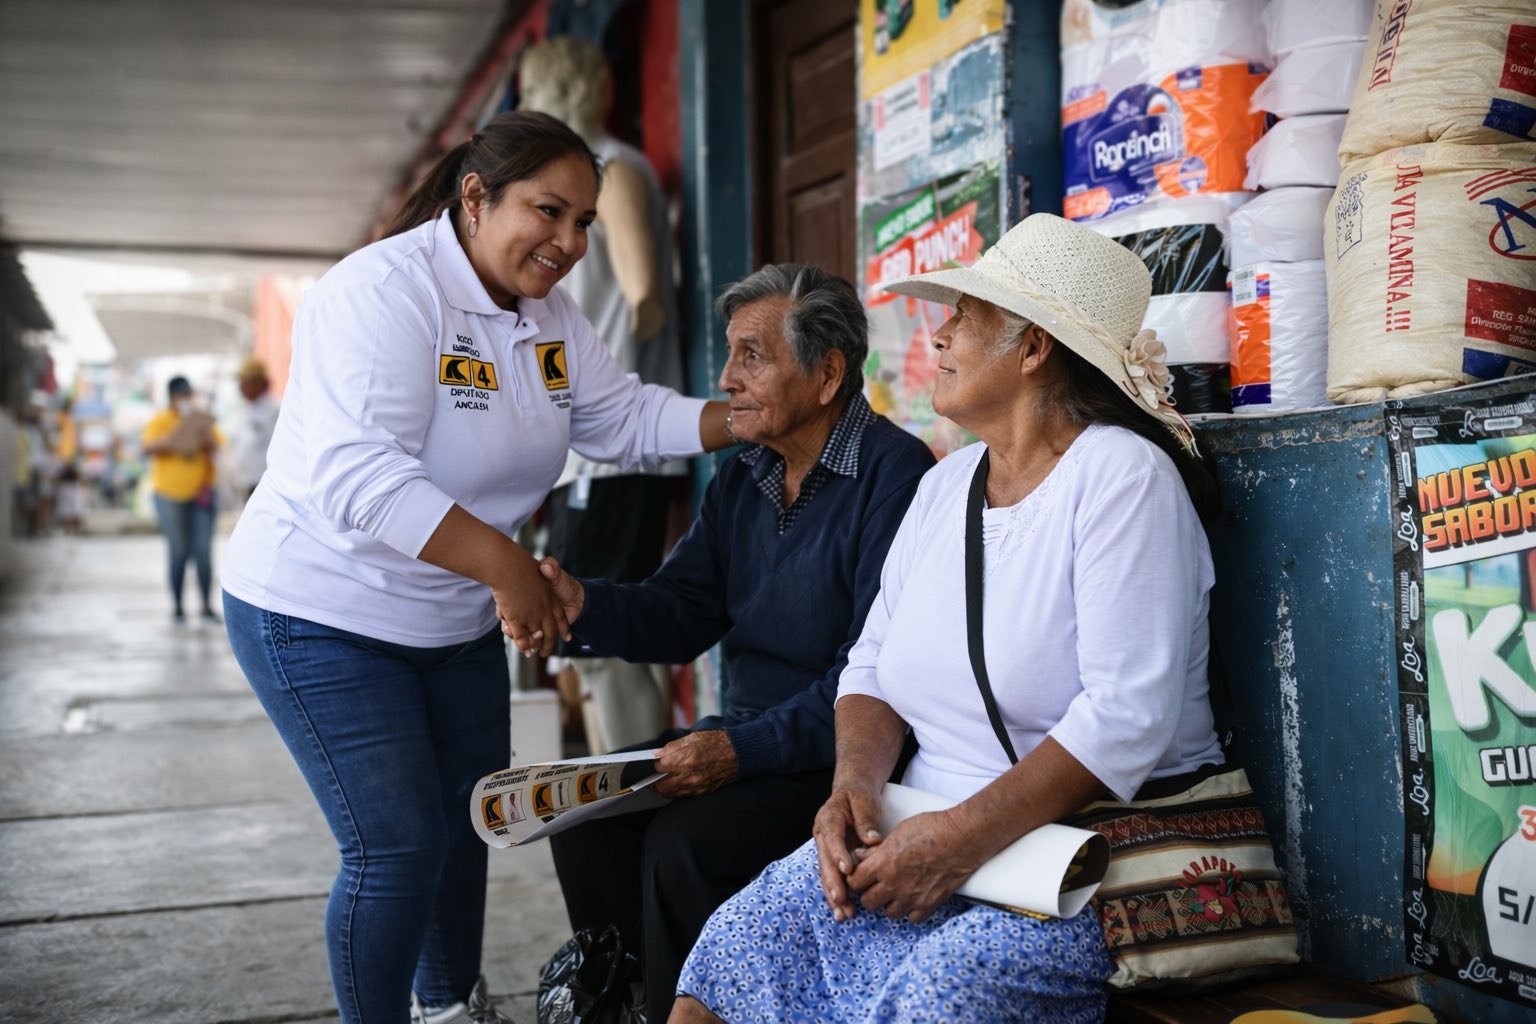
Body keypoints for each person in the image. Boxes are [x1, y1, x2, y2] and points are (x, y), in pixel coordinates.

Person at [218, 111, 733, 1024]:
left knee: (465, 829)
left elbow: (619, 418)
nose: (570, 242)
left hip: (449, 625)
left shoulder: (546, 314)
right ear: (474, 197)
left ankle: (450, 1010)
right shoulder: (383, 291)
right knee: (395, 848)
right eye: (548, 211)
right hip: (320, 613)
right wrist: (509, 570)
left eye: (584, 222)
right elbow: (359, 478)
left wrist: (746, 418)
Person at [673, 213, 1226, 1024]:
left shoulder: (1122, 480)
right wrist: (851, 790)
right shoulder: (946, 485)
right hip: (918, 837)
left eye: (967, 315)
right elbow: (870, 666)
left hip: (1069, 867)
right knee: (734, 946)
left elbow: (1125, 718)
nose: (940, 332)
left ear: (1033, 350)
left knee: (938, 995)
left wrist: (960, 840)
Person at [537, 262, 936, 1024]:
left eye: (752, 355)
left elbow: (877, 674)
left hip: (837, 754)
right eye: (731, 354)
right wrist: (578, 604)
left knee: (687, 844)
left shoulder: (896, 475)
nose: (726, 377)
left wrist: (735, 752)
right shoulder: (745, 474)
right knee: (586, 812)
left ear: (826, 375)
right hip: (746, 738)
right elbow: (683, 610)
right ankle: (629, 1002)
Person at [519, 36, 689, 753]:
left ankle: (635, 791)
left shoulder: (610, 172)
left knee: (602, 636)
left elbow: (646, 290)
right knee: (593, 637)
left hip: (617, 447)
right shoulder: (576, 181)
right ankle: (622, 791)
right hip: (586, 452)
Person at [140, 377, 221, 623]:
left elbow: (217, 445)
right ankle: (177, 606)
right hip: (169, 495)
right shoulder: (161, 421)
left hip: (202, 494)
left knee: (203, 551)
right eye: (182, 395)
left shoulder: (200, 419)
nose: (186, 399)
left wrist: (203, 437)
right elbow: (146, 448)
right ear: (172, 397)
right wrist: (174, 438)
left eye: (189, 394)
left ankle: (206, 605)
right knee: (179, 550)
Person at [229, 356, 280, 503]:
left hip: (267, 484)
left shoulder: (275, 409)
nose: (241, 388)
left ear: (262, 384)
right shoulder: (249, 409)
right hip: (249, 482)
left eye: (246, 383)